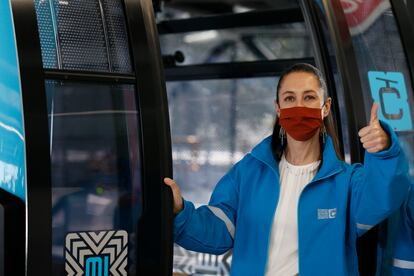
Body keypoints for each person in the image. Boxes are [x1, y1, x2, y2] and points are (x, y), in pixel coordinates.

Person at [164, 63, 410, 275]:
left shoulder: (347, 182)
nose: (299, 106)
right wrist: (179, 213)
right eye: (290, 98)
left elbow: (384, 197)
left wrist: (385, 150)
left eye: (309, 97)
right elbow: (218, 230)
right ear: (278, 108)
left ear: (325, 107)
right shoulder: (250, 172)